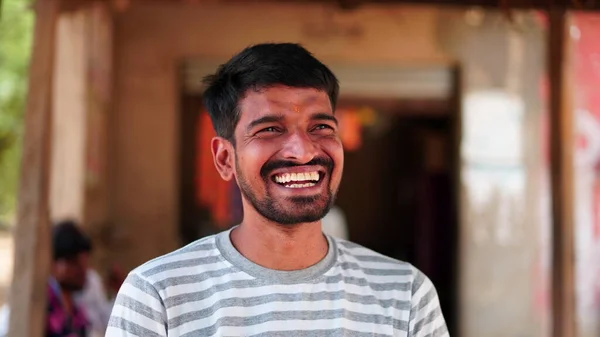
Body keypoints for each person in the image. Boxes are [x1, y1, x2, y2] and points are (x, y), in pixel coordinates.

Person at [107, 43, 449, 337]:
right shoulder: (158, 296)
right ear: (225, 158)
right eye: (270, 129)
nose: (302, 151)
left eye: (320, 127)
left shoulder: (404, 295)